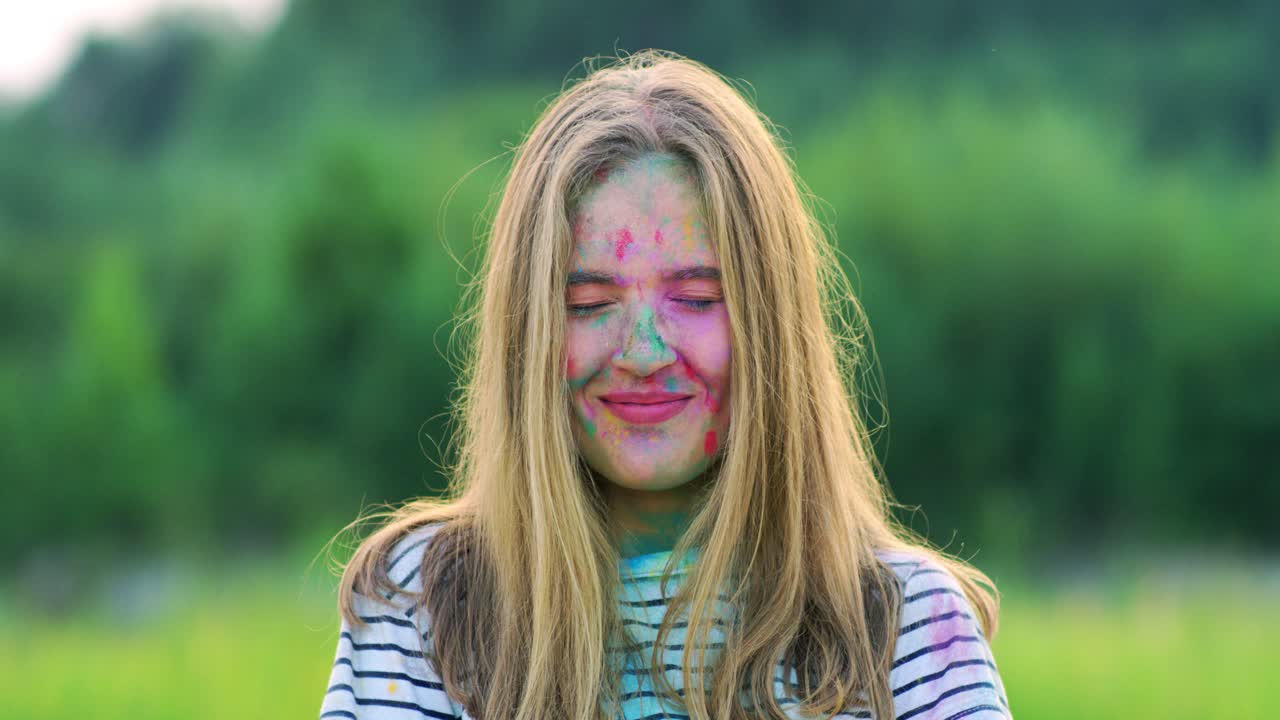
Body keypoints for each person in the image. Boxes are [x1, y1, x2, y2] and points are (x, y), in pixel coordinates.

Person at [319, 49, 1010, 720]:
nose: (644, 352)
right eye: (588, 303)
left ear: (773, 325)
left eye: (698, 297)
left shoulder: (909, 630)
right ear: (524, 335)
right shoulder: (421, 612)